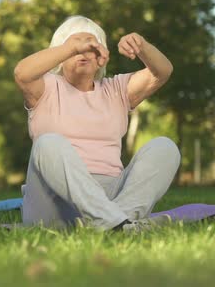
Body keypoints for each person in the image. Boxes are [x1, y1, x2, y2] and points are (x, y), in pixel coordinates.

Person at [13, 15, 181, 232]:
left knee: (165, 148)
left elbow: (162, 72)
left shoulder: (117, 89)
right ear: (60, 53)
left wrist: (141, 46)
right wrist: (71, 47)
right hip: (52, 203)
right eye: (75, 46)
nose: (82, 52)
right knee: (48, 143)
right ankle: (117, 222)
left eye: (90, 46)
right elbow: (21, 73)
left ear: (102, 54)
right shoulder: (45, 87)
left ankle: (117, 224)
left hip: (110, 195)